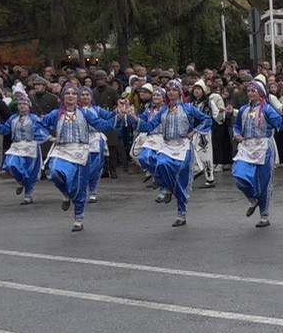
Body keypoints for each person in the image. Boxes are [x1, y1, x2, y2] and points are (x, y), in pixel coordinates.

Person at [128, 79, 213, 227]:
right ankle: (166, 187)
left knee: (181, 181)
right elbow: (149, 125)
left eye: (174, 90)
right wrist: (134, 117)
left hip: (183, 146)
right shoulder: (163, 110)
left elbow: (206, 119)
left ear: (180, 92)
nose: (171, 93)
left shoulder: (188, 108)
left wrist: (194, 131)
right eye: (169, 90)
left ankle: (181, 213)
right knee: (161, 164)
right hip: (167, 145)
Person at [37, 85, 120, 231]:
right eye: (67, 93)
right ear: (63, 97)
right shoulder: (56, 114)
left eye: (73, 93)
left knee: (79, 185)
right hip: (61, 150)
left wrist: (118, 115)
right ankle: (65, 193)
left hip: (80, 151)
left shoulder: (85, 113)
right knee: (55, 173)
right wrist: (48, 137)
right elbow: (37, 124)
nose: (70, 96)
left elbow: (103, 124)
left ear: (77, 97)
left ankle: (78, 218)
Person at [230, 80, 283, 228]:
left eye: (254, 91)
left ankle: (264, 215)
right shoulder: (244, 109)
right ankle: (253, 198)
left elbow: (282, 125)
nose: (251, 93)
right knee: (239, 175)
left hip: (264, 146)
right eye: (249, 91)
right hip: (247, 146)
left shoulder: (267, 109)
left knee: (263, 181)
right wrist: (237, 134)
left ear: (261, 93)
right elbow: (237, 126)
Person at [0, 91, 50, 205]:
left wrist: (48, 137)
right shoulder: (13, 118)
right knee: (10, 165)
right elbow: (4, 130)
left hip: (30, 146)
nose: (22, 106)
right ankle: (20, 181)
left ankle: (28, 195)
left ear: (29, 106)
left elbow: (41, 129)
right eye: (20, 104)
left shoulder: (34, 118)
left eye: (24, 104)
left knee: (29, 171)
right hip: (17, 145)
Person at [77, 85, 115, 204]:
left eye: (87, 94)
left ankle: (93, 191)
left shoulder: (97, 109)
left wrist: (119, 110)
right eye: (82, 94)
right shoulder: (75, 110)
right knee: (80, 166)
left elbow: (109, 116)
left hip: (95, 139)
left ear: (91, 96)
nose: (85, 97)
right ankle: (79, 190)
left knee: (95, 167)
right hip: (80, 139)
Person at [189, 80, 224, 188]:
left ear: (203, 91)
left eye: (198, 89)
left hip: (204, 131)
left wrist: (221, 113)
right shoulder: (192, 104)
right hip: (194, 131)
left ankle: (210, 178)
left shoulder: (209, 102)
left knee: (206, 154)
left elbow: (216, 115)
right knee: (193, 152)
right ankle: (197, 170)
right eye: (195, 89)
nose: (196, 91)